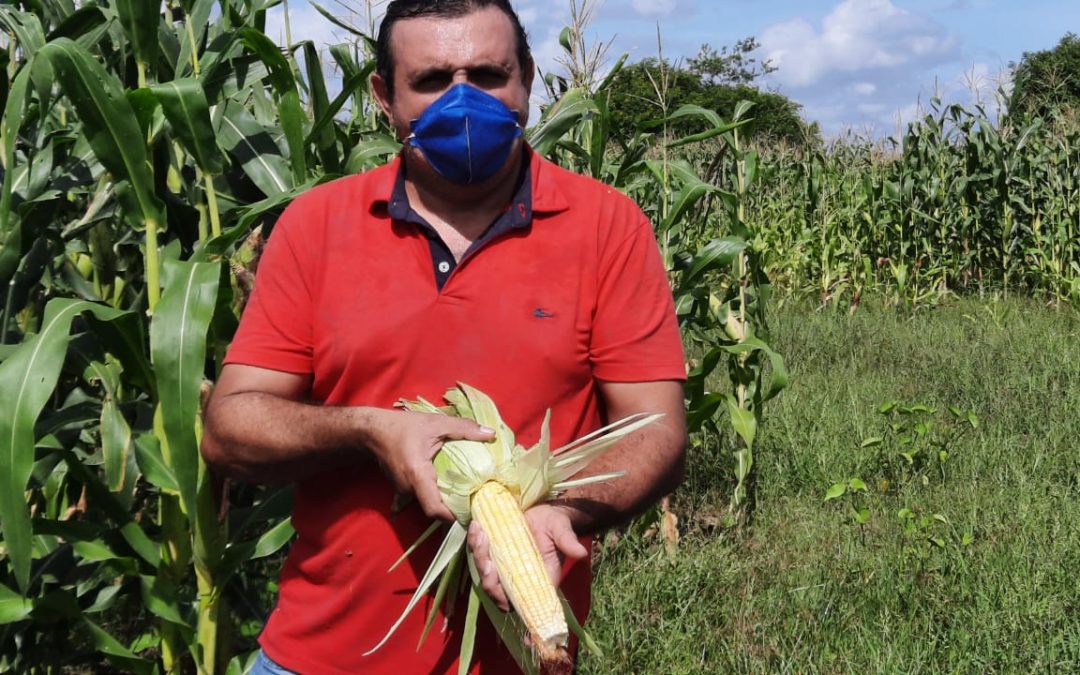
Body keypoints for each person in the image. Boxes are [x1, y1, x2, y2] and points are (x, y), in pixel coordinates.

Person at [200, 0, 687, 672]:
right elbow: (229, 428)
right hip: (319, 654)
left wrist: (561, 512)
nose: (463, 101)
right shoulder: (317, 226)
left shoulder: (607, 227)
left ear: (528, 79)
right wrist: (371, 432)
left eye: (488, 74)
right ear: (383, 96)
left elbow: (656, 430)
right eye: (431, 80)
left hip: (520, 656)